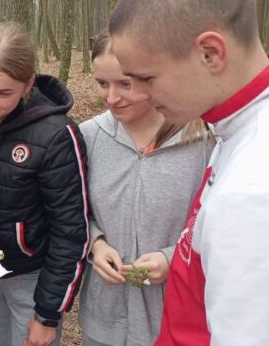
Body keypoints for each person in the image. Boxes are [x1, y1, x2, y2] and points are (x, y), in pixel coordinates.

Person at [108, 0, 269, 345]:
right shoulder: (235, 129)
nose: (140, 95)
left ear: (210, 53)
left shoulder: (252, 190)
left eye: (146, 77)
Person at [0, 22, 89, 346]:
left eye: (3, 93)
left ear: (28, 84)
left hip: (31, 278)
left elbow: (71, 230)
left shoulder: (55, 135)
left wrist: (48, 314)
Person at [77, 33, 214, 345]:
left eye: (125, 84)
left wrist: (171, 258)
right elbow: (71, 211)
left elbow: (215, 222)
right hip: (105, 318)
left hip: (176, 318)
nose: (111, 98)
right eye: (102, 83)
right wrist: (95, 245)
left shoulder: (203, 140)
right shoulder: (87, 138)